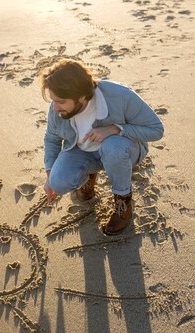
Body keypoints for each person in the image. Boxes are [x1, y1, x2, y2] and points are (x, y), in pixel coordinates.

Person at [40, 59, 164, 235]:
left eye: (60, 101)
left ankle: (123, 203)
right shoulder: (58, 109)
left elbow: (156, 130)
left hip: (123, 149)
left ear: (81, 96)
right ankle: (88, 176)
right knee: (58, 182)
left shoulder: (121, 96)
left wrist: (115, 129)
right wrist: (49, 173)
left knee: (114, 148)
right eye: (53, 101)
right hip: (82, 151)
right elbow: (51, 139)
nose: (54, 108)